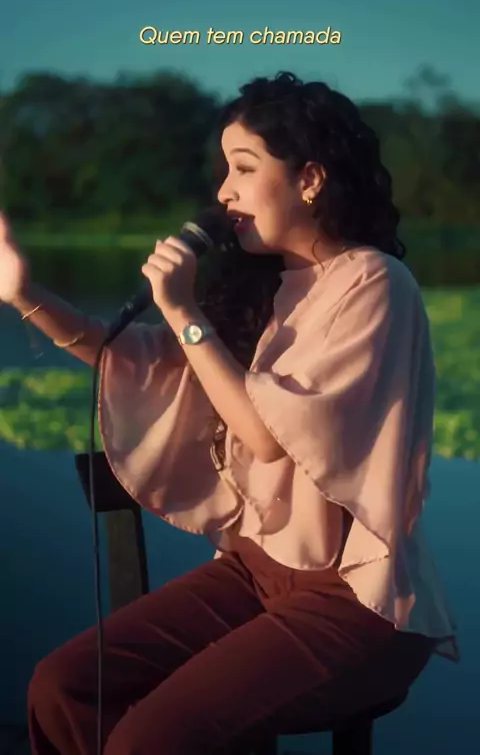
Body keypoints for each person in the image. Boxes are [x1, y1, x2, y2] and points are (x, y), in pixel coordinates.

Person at [0, 71, 457, 755]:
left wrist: (184, 310)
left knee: (154, 737)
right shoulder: (266, 288)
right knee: (63, 687)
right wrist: (23, 293)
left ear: (309, 179)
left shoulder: (375, 285)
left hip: (355, 599)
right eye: (224, 170)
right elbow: (134, 356)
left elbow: (268, 438)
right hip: (253, 570)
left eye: (244, 167)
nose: (223, 192)